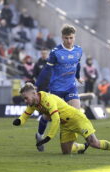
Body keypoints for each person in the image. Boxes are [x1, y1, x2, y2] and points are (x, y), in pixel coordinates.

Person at [13, 83, 110, 155]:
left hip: (76, 119)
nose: (25, 101)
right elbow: (25, 115)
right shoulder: (33, 103)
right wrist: (19, 121)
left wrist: (49, 137)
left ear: (34, 93)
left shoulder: (47, 99)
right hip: (66, 125)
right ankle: (83, 147)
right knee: (66, 152)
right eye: (24, 99)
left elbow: (56, 119)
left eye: (26, 98)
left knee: (94, 143)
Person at [35, 24, 84, 152]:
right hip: (56, 89)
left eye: (71, 38)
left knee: (75, 113)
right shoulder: (55, 52)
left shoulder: (79, 50)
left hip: (71, 87)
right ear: (62, 37)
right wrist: (37, 85)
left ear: (74, 37)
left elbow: (77, 65)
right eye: (66, 38)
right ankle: (39, 136)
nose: (69, 41)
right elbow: (47, 70)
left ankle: (69, 142)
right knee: (47, 116)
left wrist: (78, 77)